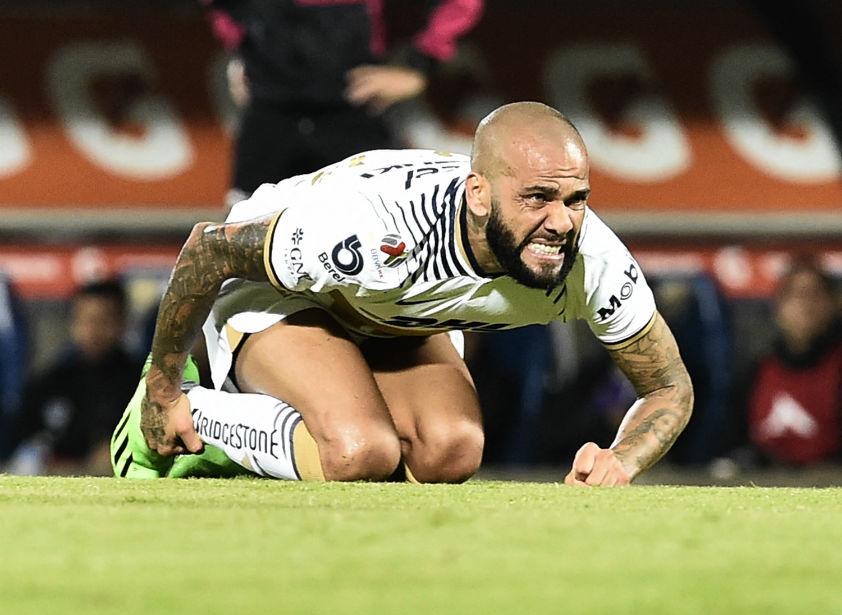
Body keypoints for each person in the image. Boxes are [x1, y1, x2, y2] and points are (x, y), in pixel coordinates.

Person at [110, 101, 694, 486]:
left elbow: (669, 387)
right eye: (537, 199)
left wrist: (622, 460)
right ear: (479, 195)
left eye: (576, 199)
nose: (561, 223)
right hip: (289, 295)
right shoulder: (374, 229)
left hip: (395, 314)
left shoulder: (591, 260)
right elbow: (208, 249)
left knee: (451, 449)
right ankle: (192, 416)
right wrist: (164, 387)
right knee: (358, 451)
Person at [203, 0, 485, 206]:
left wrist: (420, 65)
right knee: (242, 252)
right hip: (268, 124)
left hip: (352, 118)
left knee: (378, 247)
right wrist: (241, 49)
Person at [8, 279, 141, 476]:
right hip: (53, 481)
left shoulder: (141, 383)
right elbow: (20, 444)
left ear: (122, 322)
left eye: (103, 320)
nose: (93, 330)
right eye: (85, 320)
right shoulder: (50, 382)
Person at [731, 257, 842, 467]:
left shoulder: (837, 369)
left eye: (815, 295)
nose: (805, 306)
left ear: (833, 305)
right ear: (779, 308)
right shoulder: (756, 372)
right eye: (795, 295)